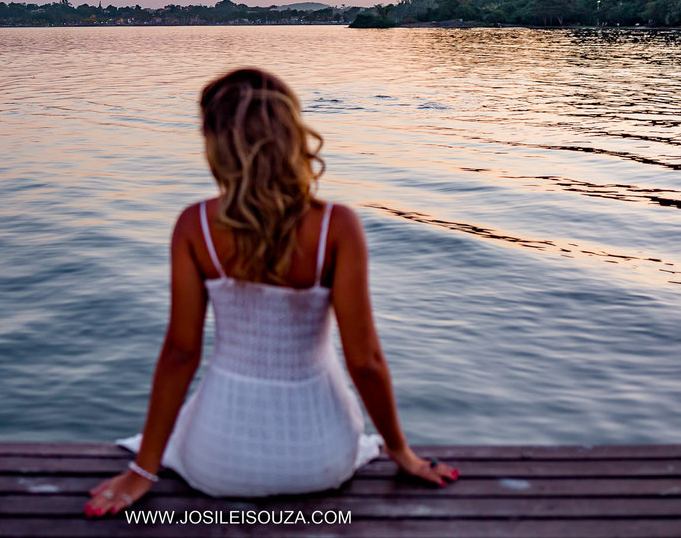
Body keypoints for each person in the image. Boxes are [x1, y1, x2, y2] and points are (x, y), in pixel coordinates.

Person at [84, 68, 457, 518]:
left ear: (217, 146)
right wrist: (402, 453)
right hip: (322, 456)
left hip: (219, 458)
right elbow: (366, 361)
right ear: (290, 133)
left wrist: (141, 473)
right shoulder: (337, 228)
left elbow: (181, 354)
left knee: (187, 428)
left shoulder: (195, 227)